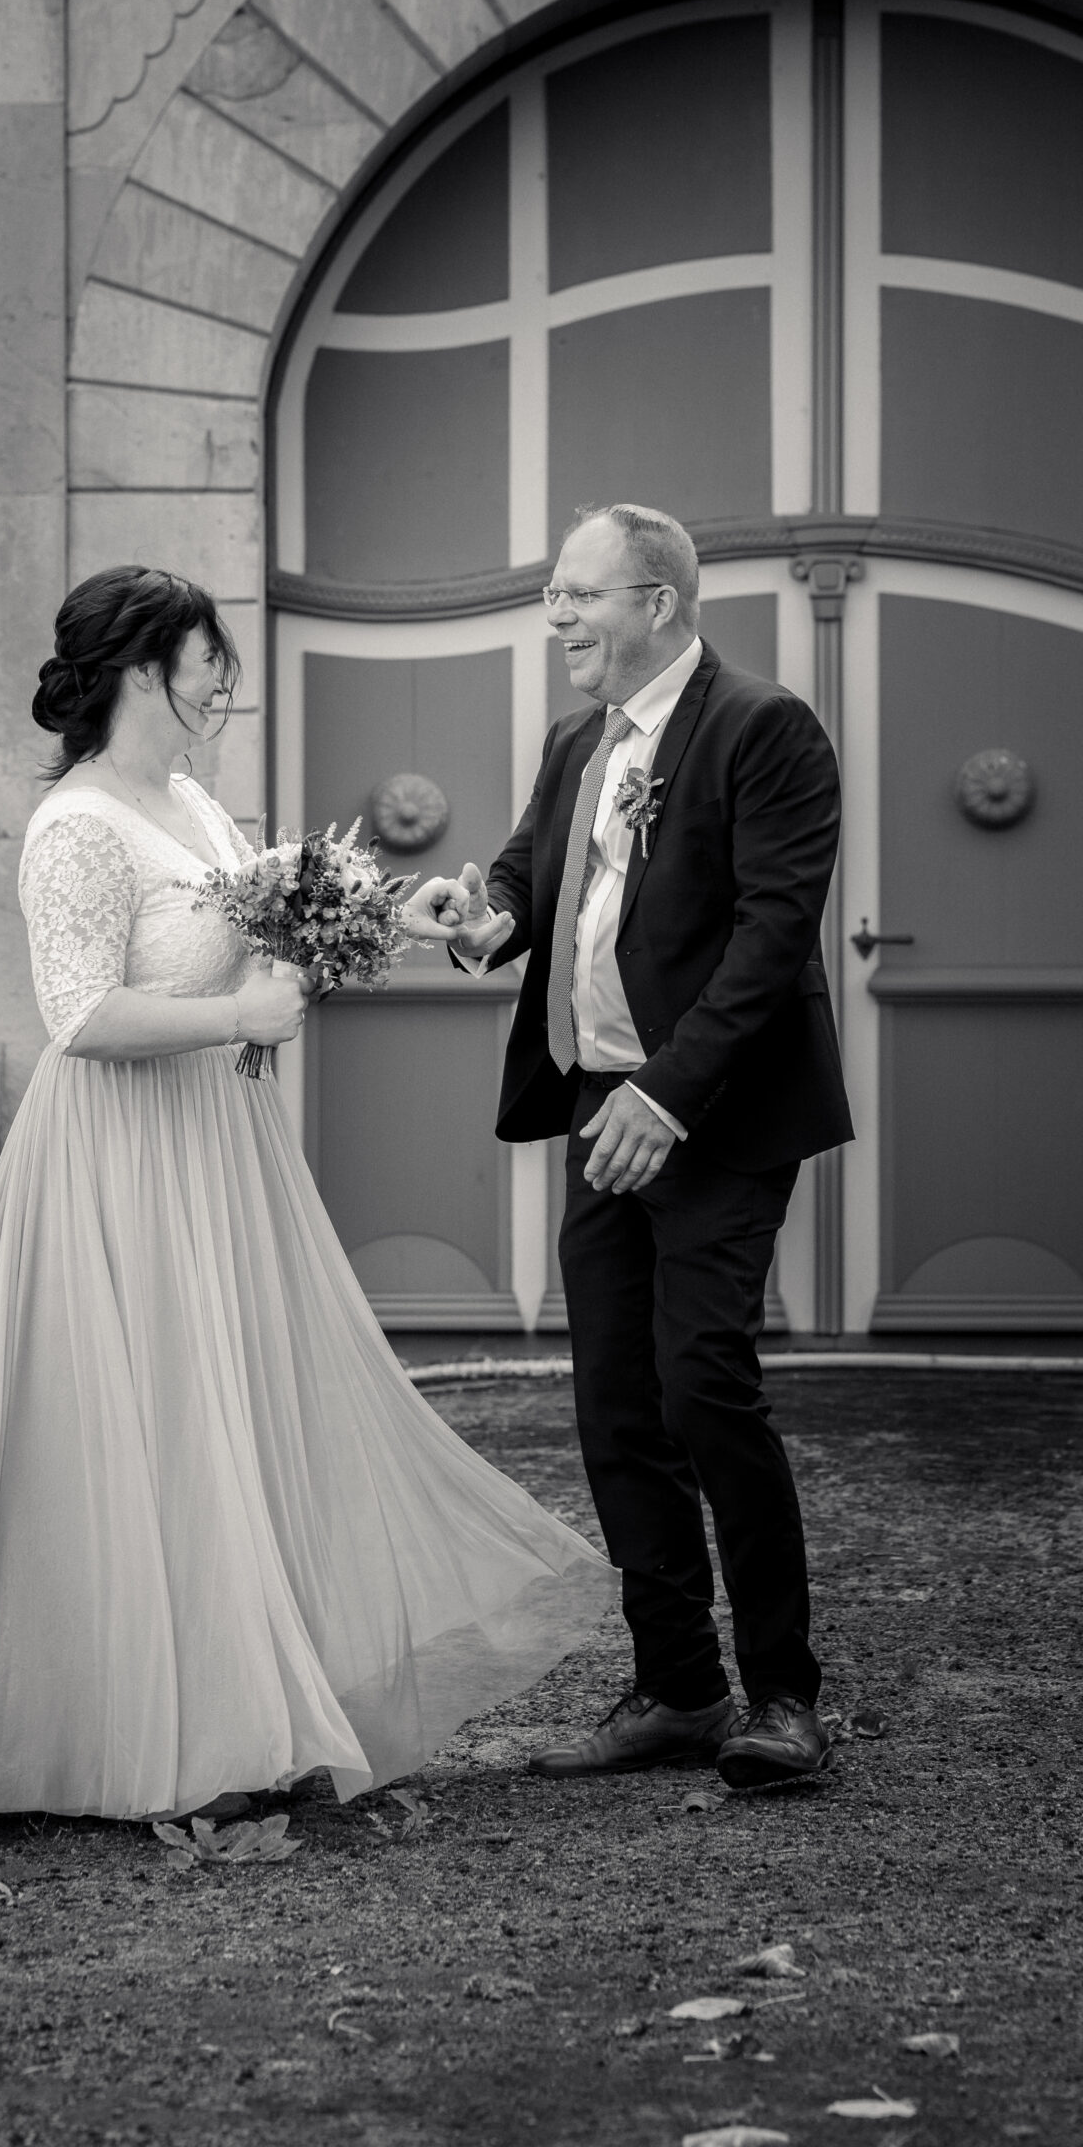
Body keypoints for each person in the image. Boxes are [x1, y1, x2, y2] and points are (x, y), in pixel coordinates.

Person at [0, 565, 613, 1823]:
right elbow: (76, 1017)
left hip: (215, 1147)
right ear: (139, 671)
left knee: (222, 1412)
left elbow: (270, 906)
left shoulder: (181, 797)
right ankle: (109, 1727)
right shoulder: (73, 825)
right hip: (120, 1156)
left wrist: (407, 914)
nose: (222, 680)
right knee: (136, 1420)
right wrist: (238, 1012)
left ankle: (236, 1698)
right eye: (205, 660)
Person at [406, 505, 852, 1788]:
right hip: (598, 1108)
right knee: (614, 1402)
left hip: (707, 1118)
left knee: (704, 1383)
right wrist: (474, 917)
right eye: (551, 595)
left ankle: (783, 1695)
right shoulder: (576, 743)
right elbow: (532, 880)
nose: (555, 617)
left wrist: (667, 1097)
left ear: (656, 600)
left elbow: (774, 935)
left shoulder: (764, 728)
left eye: (574, 593)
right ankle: (676, 1689)